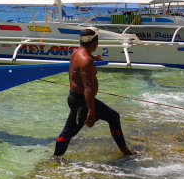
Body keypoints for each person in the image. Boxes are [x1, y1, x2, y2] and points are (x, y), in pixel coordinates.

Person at [54, 27, 134, 158]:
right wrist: (91, 111)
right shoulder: (86, 61)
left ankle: (55, 158)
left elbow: (82, 61)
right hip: (82, 101)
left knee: (70, 131)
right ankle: (126, 152)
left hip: (75, 98)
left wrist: (92, 57)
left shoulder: (76, 53)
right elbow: (88, 87)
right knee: (71, 131)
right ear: (95, 42)